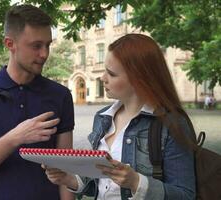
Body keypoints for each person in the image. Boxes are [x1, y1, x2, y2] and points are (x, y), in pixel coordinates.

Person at [44, 34, 196, 200]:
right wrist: (69, 179)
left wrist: (136, 182)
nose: (103, 78)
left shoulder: (171, 124)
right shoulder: (103, 118)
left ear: (139, 79)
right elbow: (102, 184)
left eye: (111, 74)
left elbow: (185, 195)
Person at [0, 4, 75, 200]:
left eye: (48, 45)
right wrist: (17, 136)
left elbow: (64, 168)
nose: (44, 54)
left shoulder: (60, 95)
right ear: (9, 44)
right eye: (36, 46)